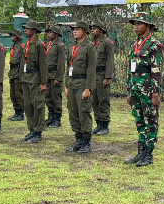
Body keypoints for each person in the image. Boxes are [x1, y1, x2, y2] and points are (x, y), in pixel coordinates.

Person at [124, 13, 163, 167]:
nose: (136, 27)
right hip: (135, 87)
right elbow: (130, 69)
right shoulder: (134, 44)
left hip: (147, 88)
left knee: (150, 120)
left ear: (147, 26)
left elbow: (156, 70)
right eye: (134, 24)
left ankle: (148, 155)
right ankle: (140, 152)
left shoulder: (154, 44)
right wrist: (129, 91)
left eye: (139, 24)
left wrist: (155, 93)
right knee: (139, 120)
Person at [65, 21, 98, 154]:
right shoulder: (72, 46)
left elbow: (91, 69)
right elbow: (68, 67)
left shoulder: (89, 47)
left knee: (84, 112)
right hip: (72, 83)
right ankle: (78, 139)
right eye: (73, 29)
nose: (74, 31)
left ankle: (86, 141)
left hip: (82, 83)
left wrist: (88, 88)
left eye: (78, 29)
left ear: (85, 31)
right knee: (73, 112)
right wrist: (66, 84)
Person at [20, 21, 48, 144]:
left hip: (36, 79)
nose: (25, 30)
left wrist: (43, 82)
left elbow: (43, 65)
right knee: (28, 106)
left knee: (38, 106)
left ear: (35, 30)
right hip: (27, 78)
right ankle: (31, 129)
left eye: (28, 28)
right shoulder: (27, 44)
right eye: (25, 28)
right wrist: (22, 76)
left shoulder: (39, 45)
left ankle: (38, 132)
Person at [89, 22, 115, 136]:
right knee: (94, 100)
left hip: (102, 74)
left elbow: (110, 60)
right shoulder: (92, 43)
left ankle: (105, 125)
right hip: (93, 75)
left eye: (94, 29)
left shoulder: (107, 42)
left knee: (103, 100)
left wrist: (107, 77)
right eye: (91, 29)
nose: (92, 31)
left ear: (101, 30)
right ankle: (98, 123)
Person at [43, 26, 67, 129]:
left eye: (50, 32)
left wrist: (59, 78)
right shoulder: (49, 44)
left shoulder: (59, 46)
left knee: (56, 97)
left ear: (56, 34)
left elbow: (61, 63)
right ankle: (51, 116)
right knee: (48, 97)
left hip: (55, 75)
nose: (48, 34)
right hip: (47, 75)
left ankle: (57, 119)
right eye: (47, 32)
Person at [8, 30, 25, 122]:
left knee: (18, 94)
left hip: (18, 72)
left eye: (13, 35)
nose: (12, 37)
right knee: (13, 94)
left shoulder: (22, 47)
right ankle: (16, 111)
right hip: (12, 72)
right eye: (11, 35)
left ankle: (20, 113)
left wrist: (21, 76)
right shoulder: (13, 46)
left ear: (18, 37)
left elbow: (23, 62)